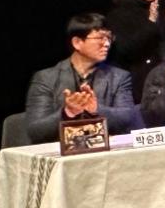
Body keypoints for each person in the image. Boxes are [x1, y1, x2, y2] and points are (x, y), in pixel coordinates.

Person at [25, 13, 143, 142]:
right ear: (77, 43)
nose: (107, 44)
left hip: (105, 148)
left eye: (109, 38)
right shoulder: (46, 78)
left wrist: (96, 109)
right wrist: (67, 113)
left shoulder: (119, 77)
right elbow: (36, 130)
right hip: (60, 149)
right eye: (100, 38)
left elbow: (127, 119)